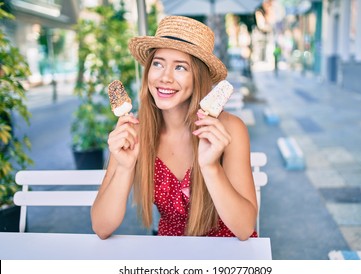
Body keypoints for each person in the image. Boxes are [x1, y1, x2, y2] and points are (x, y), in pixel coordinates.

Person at [91, 16, 258, 241]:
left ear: (198, 77)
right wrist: (124, 166)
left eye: (180, 67)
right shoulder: (134, 131)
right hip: (170, 253)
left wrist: (211, 168)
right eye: (158, 64)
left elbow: (245, 228)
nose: (165, 78)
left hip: (227, 252)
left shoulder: (229, 129)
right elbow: (101, 227)